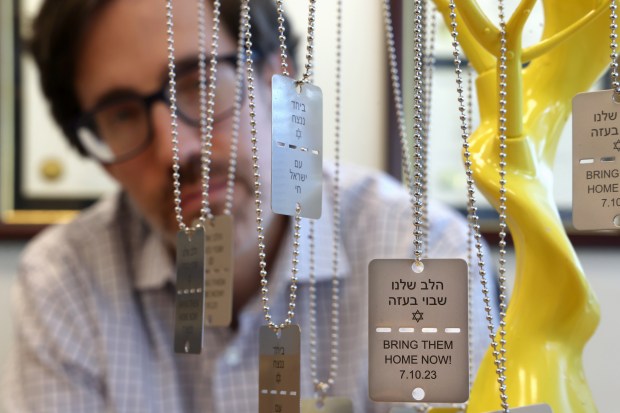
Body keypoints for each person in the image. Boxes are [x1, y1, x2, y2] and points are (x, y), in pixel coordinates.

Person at [2, 0, 497, 411]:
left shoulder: (415, 252)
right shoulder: (65, 281)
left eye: (199, 83)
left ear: (276, 78)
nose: (175, 150)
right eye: (123, 114)